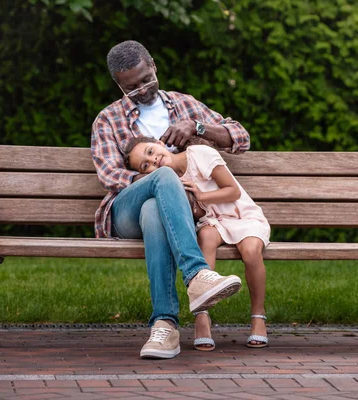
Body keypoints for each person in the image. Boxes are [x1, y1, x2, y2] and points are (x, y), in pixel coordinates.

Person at [90, 40, 251, 359]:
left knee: (155, 210)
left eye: (146, 79)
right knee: (160, 179)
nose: (142, 89)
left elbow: (241, 137)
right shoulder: (108, 119)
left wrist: (198, 126)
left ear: (153, 65)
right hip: (125, 211)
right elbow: (110, 174)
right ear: (119, 85)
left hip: (175, 213)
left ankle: (164, 326)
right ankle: (197, 275)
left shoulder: (185, 106)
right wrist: (161, 180)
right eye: (131, 88)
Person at [124, 137, 270, 350]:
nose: (153, 160)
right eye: (146, 165)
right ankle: (202, 318)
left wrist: (201, 195)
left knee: (250, 251)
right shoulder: (170, 181)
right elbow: (197, 213)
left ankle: (258, 317)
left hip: (242, 216)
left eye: (150, 151)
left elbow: (233, 191)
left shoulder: (199, 153)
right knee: (206, 237)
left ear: (159, 142)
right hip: (214, 221)